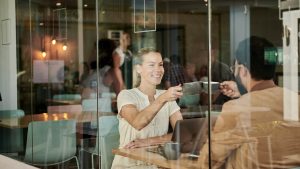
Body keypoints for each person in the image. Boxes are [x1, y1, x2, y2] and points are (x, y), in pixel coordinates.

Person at [198, 36, 300, 168]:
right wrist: (245, 94)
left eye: (234, 67)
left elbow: (207, 161)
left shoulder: (236, 108)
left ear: (243, 70)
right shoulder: (295, 100)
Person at [111, 48, 184, 169]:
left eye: (160, 65)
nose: (158, 69)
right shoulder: (126, 95)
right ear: (138, 68)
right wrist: (163, 98)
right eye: (151, 65)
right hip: (129, 164)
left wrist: (147, 141)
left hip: (158, 164)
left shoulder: (166, 96)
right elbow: (137, 123)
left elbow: (181, 133)